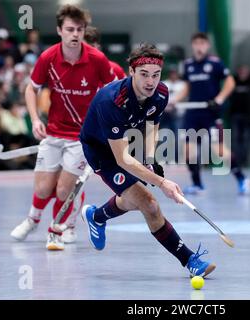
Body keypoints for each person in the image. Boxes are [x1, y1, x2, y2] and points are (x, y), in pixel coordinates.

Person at [79, 43, 216, 278]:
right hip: (101, 151)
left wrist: (150, 159)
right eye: (144, 74)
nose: (150, 82)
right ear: (131, 72)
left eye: (156, 75)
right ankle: (190, 260)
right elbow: (121, 159)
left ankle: (96, 216)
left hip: (128, 143)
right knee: (150, 203)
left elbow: (152, 126)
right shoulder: (111, 102)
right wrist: (162, 183)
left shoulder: (161, 93)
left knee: (135, 200)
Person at [10, 4, 116, 250]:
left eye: (79, 29)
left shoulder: (97, 59)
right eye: (70, 29)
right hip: (54, 133)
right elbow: (31, 88)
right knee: (44, 187)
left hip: (82, 138)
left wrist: (108, 126)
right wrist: (36, 119)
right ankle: (33, 220)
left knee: (63, 189)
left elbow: (115, 92)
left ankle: (55, 230)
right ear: (59, 30)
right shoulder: (48, 57)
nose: (75, 34)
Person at [171, 32, 250, 195]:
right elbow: (187, 87)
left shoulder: (215, 63)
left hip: (211, 114)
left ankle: (242, 178)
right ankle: (198, 185)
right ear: (192, 45)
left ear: (207, 45)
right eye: (196, 43)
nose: (199, 46)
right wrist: (174, 100)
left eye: (202, 43)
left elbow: (230, 82)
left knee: (220, 151)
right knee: (188, 151)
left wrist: (219, 99)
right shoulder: (188, 65)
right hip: (193, 114)